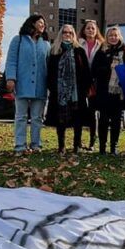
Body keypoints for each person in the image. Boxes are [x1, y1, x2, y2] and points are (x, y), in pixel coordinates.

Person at [5, 14, 50, 155]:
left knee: (37, 118)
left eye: (44, 23)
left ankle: (36, 145)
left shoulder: (46, 44)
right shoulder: (18, 40)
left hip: (40, 86)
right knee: (21, 116)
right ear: (32, 23)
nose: (42, 25)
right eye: (40, 22)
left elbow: (49, 65)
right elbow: (11, 60)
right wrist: (10, 78)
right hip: (22, 84)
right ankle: (20, 146)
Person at [45, 24, 92, 154]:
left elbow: (86, 72)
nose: (68, 35)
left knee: (78, 120)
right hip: (59, 92)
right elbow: (49, 72)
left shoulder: (79, 51)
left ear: (74, 35)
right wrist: (53, 88)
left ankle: (77, 145)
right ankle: (61, 146)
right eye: (65, 32)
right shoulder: (55, 51)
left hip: (77, 91)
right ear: (61, 34)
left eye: (70, 33)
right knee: (61, 121)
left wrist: (85, 88)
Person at [92, 26, 125, 155]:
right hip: (104, 92)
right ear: (107, 37)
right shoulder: (101, 51)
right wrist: (108, 67)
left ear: (119, 37)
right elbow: (94, 71)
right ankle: (102, 147)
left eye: (115, 35)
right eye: (111, 35)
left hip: (119, 93)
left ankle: (114, 147)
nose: (113, 38)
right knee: (103, 120)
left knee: (116, 122)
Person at [79, 19, 103, 151]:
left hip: (96, 83)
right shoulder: (78, 44)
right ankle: (78, 141)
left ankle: (93, 141)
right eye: (88, 28)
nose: (90, 30)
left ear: (96, 31)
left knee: (93, 113)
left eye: (93, 28)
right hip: (82, 82)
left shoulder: (101, 45)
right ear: (84, 30)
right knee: (81, 111)